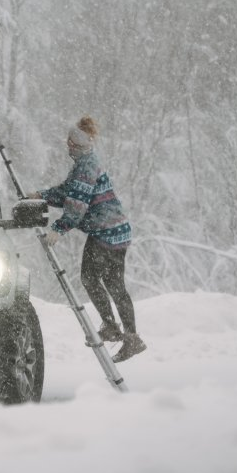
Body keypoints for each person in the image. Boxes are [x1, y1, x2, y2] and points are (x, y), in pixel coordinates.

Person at [29, 116, 147, 363]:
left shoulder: (85, 166)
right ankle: (125, 333)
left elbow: (77, 205)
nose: (67, 146)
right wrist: (42, 195)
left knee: (94, 278)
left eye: (69, 142)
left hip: (107, 233)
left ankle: (117, 329)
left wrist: (59, 229)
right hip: (115, 230)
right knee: (110, 283)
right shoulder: (85, 162)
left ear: (76, 142)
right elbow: (68, 191)